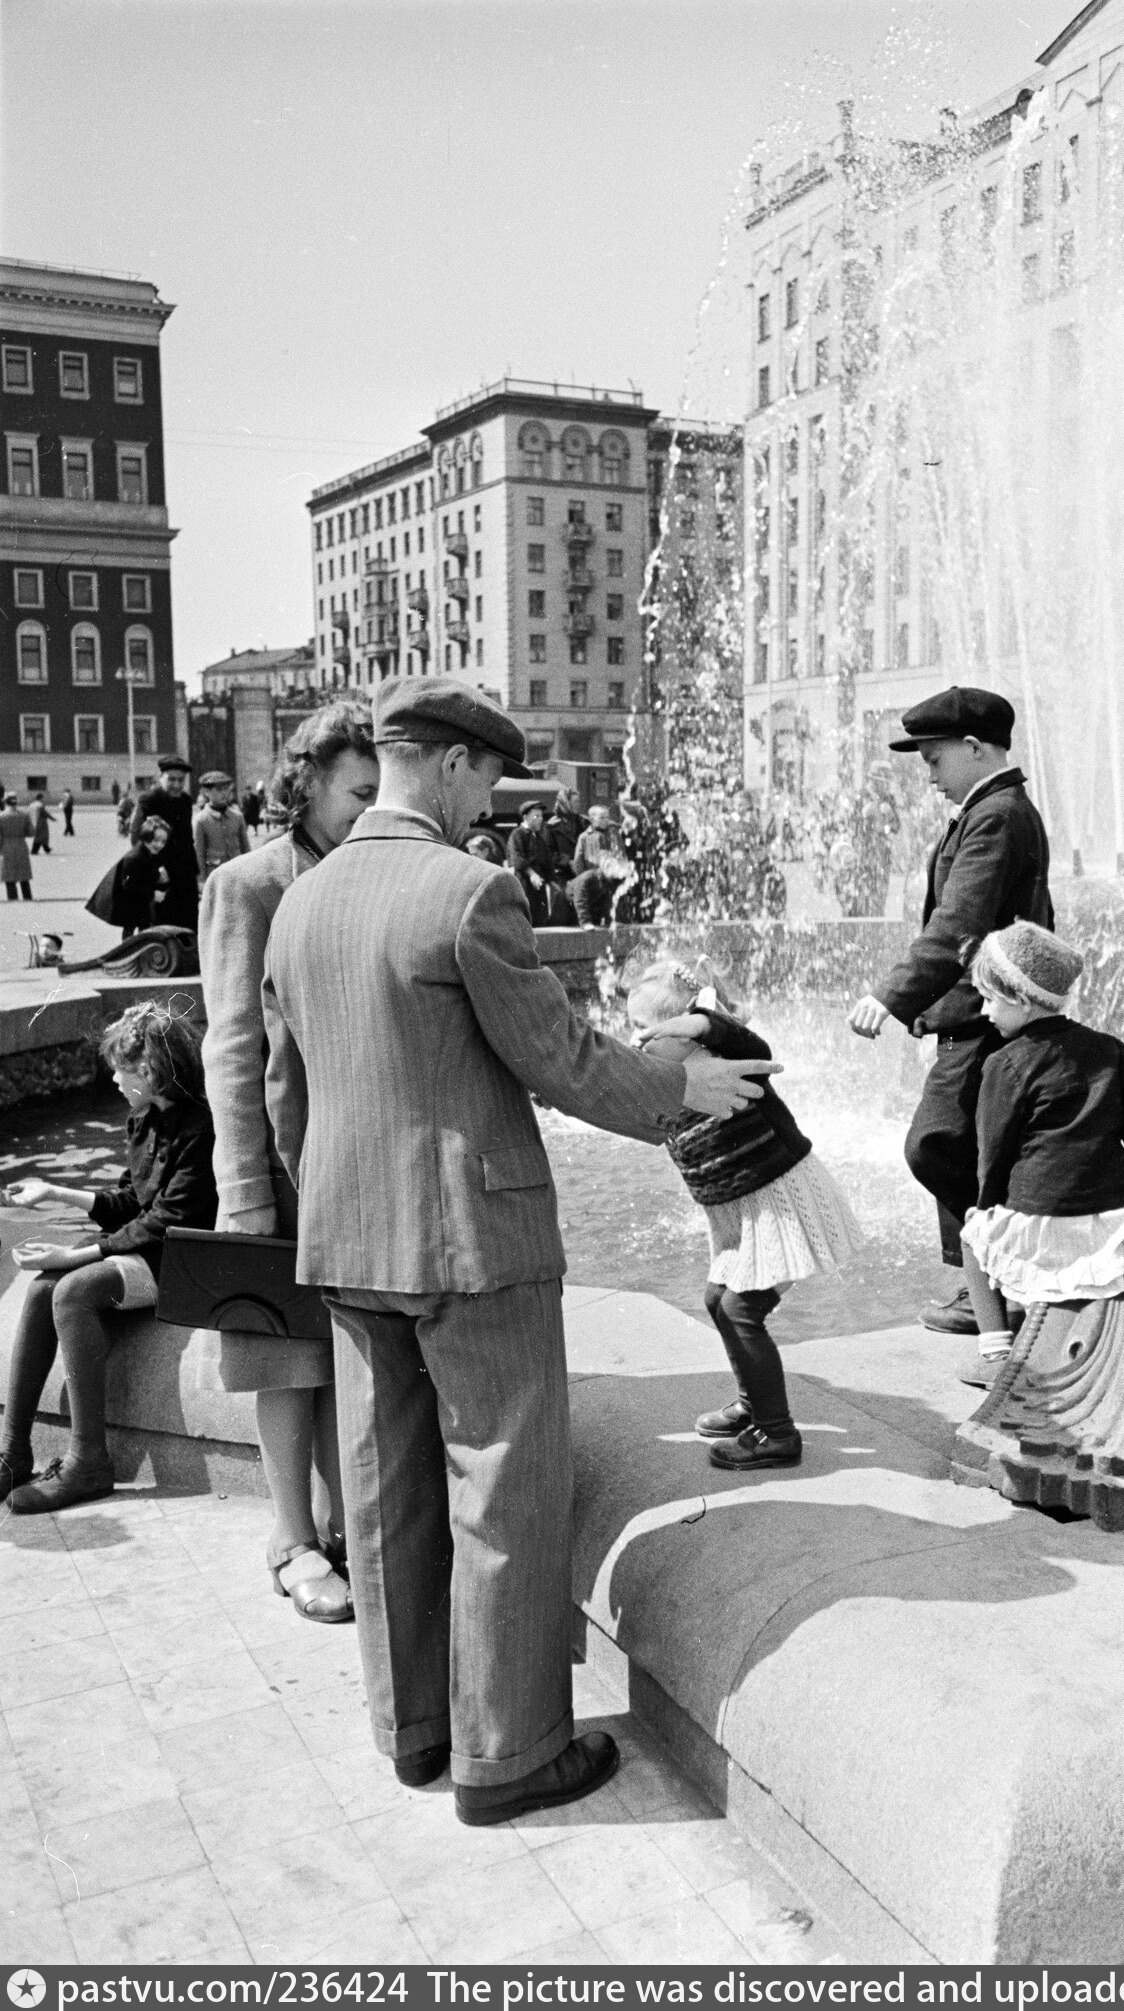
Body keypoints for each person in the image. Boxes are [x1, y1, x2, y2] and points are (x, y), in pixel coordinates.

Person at [261, 677, 780, 1820]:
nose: (487, 802)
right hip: (471, 1244)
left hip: (350, 1241)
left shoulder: (300, 899)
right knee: (503, 1487)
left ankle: (412, 1731)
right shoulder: (467, 890)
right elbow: (559, 1056)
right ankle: (509, 1755)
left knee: (385, 1490)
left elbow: (282, 1093)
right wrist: (679, 1082)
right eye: (488, 777)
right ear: (449, 765)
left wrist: (336, 1205)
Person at [198, 699, 379, 1624]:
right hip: (276, 1166)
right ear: (304, 780)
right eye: (357, 790)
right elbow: (230, 1045)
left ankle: (342, 1524)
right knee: (283, 1357)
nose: (370, 805)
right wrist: (242, 1193)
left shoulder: (364, 871)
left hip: (350, 1161)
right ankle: (289, 1537)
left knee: (342, 1355)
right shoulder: (247, 882)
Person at [847, 687, 1052, 1338]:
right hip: (977, 1011)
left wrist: (891, 995)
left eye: (933, 760)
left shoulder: (994, 814)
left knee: (937, 1145)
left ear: (973, 748)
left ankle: (1000, 1280)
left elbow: (957, 923)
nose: (927, 775)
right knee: (965, 1148)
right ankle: (984, 1287)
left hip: (989, 1017)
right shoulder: (988, 808)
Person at [628, 959, 862, 1469]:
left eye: (644, 1030)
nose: (637, 1042)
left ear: (687, 1031)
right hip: (744, 1211)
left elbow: (749, 1042)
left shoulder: (729, 1056)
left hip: (780, 1204)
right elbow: (632, 1112)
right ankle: (754, 1404)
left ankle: (777, 1434)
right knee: (719, 1301)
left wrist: (701, 1022)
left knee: (741, 1310)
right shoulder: (675, 1078)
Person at [0, 1003, 217, 1512]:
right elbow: (129, 1201)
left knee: (73, 1289)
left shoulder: (201, 1128)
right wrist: (57, 1191)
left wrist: (76, 1256)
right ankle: (13, 1453)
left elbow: (167, 1221)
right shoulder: (143, 1120)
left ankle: (88, 1462)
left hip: (181, 1264)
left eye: (121, 1069)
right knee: (41, 1288)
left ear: (149, 1071)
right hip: (148, 1254)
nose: (114, 1079)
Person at [956, 921, 1124, 1387]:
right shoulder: (1110, 1050)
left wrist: (987, 1203)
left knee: (973, 1240)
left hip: (1046, 1214)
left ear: (1020, 998)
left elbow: (993, 1149)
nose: (984, 1011)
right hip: (1112, 1211)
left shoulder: (1004, 1064)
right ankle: (1117, 1300)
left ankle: (995, 1353)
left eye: (990, 999)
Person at [130, 756, 199, 929]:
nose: (177, 784)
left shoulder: (185, 801)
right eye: (171, 779)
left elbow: (187, 838)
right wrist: (154, 868)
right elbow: (137, 836)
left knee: (188, 919)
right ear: (161, 777)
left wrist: (194, 871)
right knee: (160, 920)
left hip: (183, 871)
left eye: (181, 780)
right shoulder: (148, 799)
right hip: (158, 871)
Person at [85, 816, 171, 937]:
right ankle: (131, 950)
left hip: (140, 900)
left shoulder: (150, 852)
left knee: (142, 928)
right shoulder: (134, 857)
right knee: (132, 929)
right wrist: (153, 894)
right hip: (130, 901)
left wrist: (161, 878)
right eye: (155, 840)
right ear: (146, 836)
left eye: (163, 841)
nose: (159, 845)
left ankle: (139, 949)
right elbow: (129, 885)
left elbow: (150, 873)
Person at [193, 770, 250, 888]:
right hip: (215, 875)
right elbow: (199, 853)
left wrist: (250, 871)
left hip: (237, 872)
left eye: (226, 789)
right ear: (206, 792)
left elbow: (246, 848)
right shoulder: (201, 820)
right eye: (219, 789)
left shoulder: (237, 817)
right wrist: (201, 880)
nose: (224, 793)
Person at [506, 800, 554, 926]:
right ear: (525, 817)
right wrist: (532, 874)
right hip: (524, 881)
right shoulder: (517, 834)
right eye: (536, 816)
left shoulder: (539, 838)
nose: (540, 819)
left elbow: (546, 860)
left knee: (539, 917)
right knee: (526, 915)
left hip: (539, 883)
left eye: (541, 816)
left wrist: (551, 879)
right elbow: (516, 858)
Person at [572, 802, 624, 874]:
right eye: (602, 817)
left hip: (614, 878)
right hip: (594, 879)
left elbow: (622, 856)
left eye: (607, 817)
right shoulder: (584, 837)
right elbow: (578, 862)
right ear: (592, 819)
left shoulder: (614, 835)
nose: (606, 820)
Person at [1, 791, 34, 901]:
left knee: (9, 875)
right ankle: (27, 897)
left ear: (5, 802)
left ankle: (12, 898)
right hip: (21, 844)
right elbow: (31, 832)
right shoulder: (24, 814)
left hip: (7, 846)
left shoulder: (1, 816)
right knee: (23, 874)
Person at [546, 786, 585, 873]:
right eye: (575, 802)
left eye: (579, 801)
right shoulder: (552, 826)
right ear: (565, 803)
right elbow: (548, 853)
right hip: (562, 872)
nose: (578, 804)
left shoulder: (582, 822)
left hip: (581, 870)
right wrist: (567, 861)